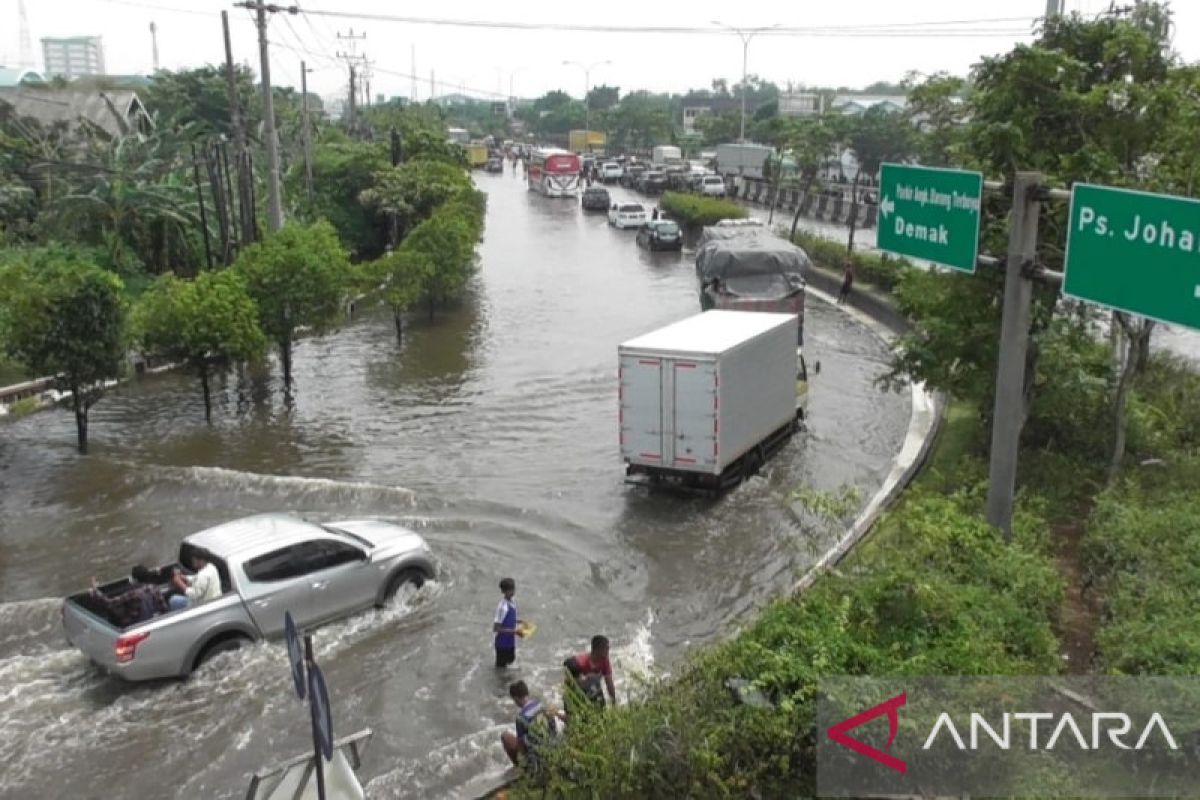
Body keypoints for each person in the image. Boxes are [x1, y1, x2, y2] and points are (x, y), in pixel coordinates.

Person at [500, 680, 562, 769]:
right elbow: (554, 729)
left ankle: (522, 769)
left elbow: (521, 746)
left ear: (516, 698)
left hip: (536, 758)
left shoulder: (521, 718)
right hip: (552, 748)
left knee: (505, 737)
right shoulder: (542, 706)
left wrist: (521, 759)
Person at [89, 565, 167, 627]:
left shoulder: (132, 594)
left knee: (113, 611)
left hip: (135, 623)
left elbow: (109, 602)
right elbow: (164, 608)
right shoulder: (155, 588)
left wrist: (95, 590)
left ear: (135, 580)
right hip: (152, 618)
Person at [563, 635, 617, 711]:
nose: (608, 651)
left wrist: (613, 702)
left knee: (602, 713)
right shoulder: (580, 663)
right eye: (606, 648)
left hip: (593, 690)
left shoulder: (604, 661)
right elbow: (566, 666)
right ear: (598, 649)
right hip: (575, 693)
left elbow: (609, 683)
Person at [493, 577, 520, 668]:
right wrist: (514, 632)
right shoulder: (502, 607)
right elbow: (496, 628)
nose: (513, 591)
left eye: (513, 589)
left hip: (510, 642)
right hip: (502, 644)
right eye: (510, 590)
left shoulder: (511, 602)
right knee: (501, 668)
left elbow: (508, 619)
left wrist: (519, 621)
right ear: (504, 591)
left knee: (510, 662)